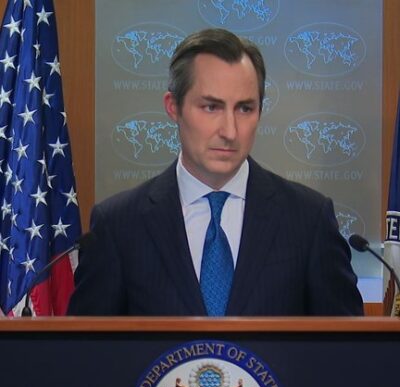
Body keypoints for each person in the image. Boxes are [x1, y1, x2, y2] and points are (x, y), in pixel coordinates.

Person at [67, 28, 364, 316]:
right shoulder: (119, 225)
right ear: (173, 107)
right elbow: (89, 347)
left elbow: (346, 345)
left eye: (245, 109)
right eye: (211, 107)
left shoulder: (308, 220)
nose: (230, 131)